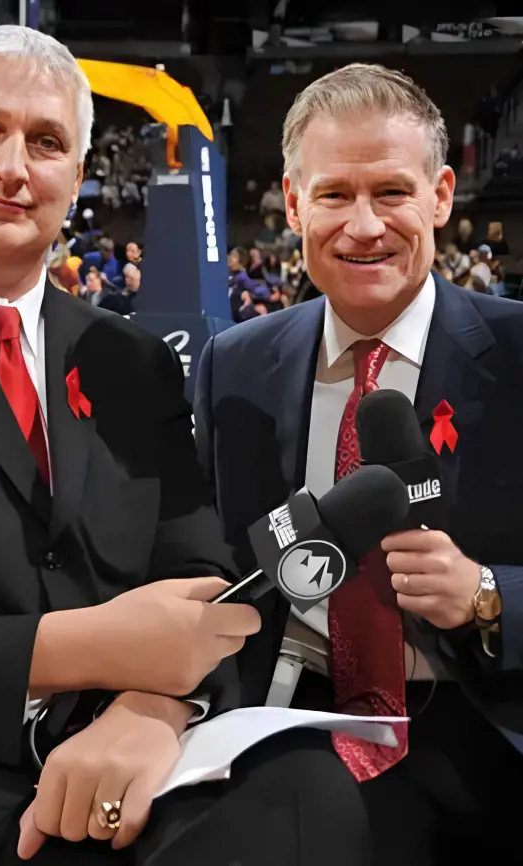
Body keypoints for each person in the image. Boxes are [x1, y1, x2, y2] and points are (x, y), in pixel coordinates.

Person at [0, 26, 371, 866]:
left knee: (306, 793)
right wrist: (63, 652)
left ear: (74, 176)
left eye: (46, 142)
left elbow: (197, 565)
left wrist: (151, 706)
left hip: (129, 748)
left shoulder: (130, 359)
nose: (14, 166)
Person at [195, 63, 523, 866]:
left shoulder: (515, 356)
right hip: (286, 717)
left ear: (440, 196)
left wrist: (485, 595)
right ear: (293, 202)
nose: (363, 225)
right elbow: (206, 555)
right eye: (335, 195)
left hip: (480, 714)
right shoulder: (233, 363)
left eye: (391, 192)